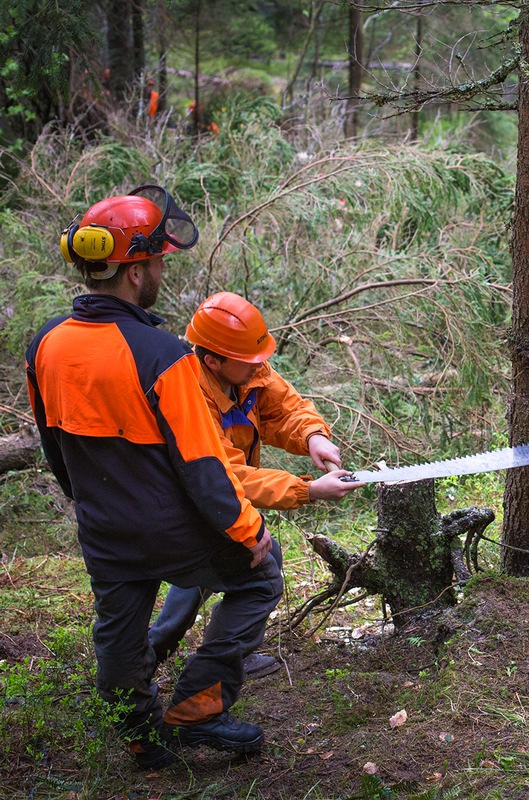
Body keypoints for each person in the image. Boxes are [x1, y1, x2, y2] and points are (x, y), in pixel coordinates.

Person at [27, 186, 283, 769]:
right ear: (136, 272)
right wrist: (249, 531)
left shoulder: (45, 342)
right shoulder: (165, 355)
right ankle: (198, 706)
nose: (163, 270)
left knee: (118, 627)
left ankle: (139, 734)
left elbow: (53, 445)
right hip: (171, 527)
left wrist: (90, 505)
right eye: (160, 261)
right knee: (261, 577)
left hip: (103, 524)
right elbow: (202, 465)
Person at [149, 291, 364, 677]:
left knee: (228, 570)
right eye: (250, 360)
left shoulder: (248, 369)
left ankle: (178, 649)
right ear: (212, 360)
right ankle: (193, 658)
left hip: (224, 505)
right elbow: (228, 476)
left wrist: (314, 435)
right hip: (197, 504)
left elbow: (284, 410)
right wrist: (309, 490)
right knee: (258, 565)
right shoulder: (193, 394)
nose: (260, 366)